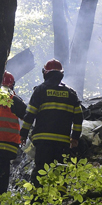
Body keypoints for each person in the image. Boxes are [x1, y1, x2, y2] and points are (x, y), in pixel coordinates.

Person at [20, 59, 83, 187]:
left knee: (41, 171)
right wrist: (75, 137)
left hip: (43, 141)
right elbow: (78, 118)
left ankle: (38, 202)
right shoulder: (71, 94)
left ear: (45, 73)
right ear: (61, 74)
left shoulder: (40, 91)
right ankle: (60, 203)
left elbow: (30, 115)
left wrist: (23, 134)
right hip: (62, 142)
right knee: (60, 171)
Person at [0, 71, 27, 194]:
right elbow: (28, 116)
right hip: (9, 145)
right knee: (3, 172)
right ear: (12, 85)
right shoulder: (14, 100)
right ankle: (0, 197)